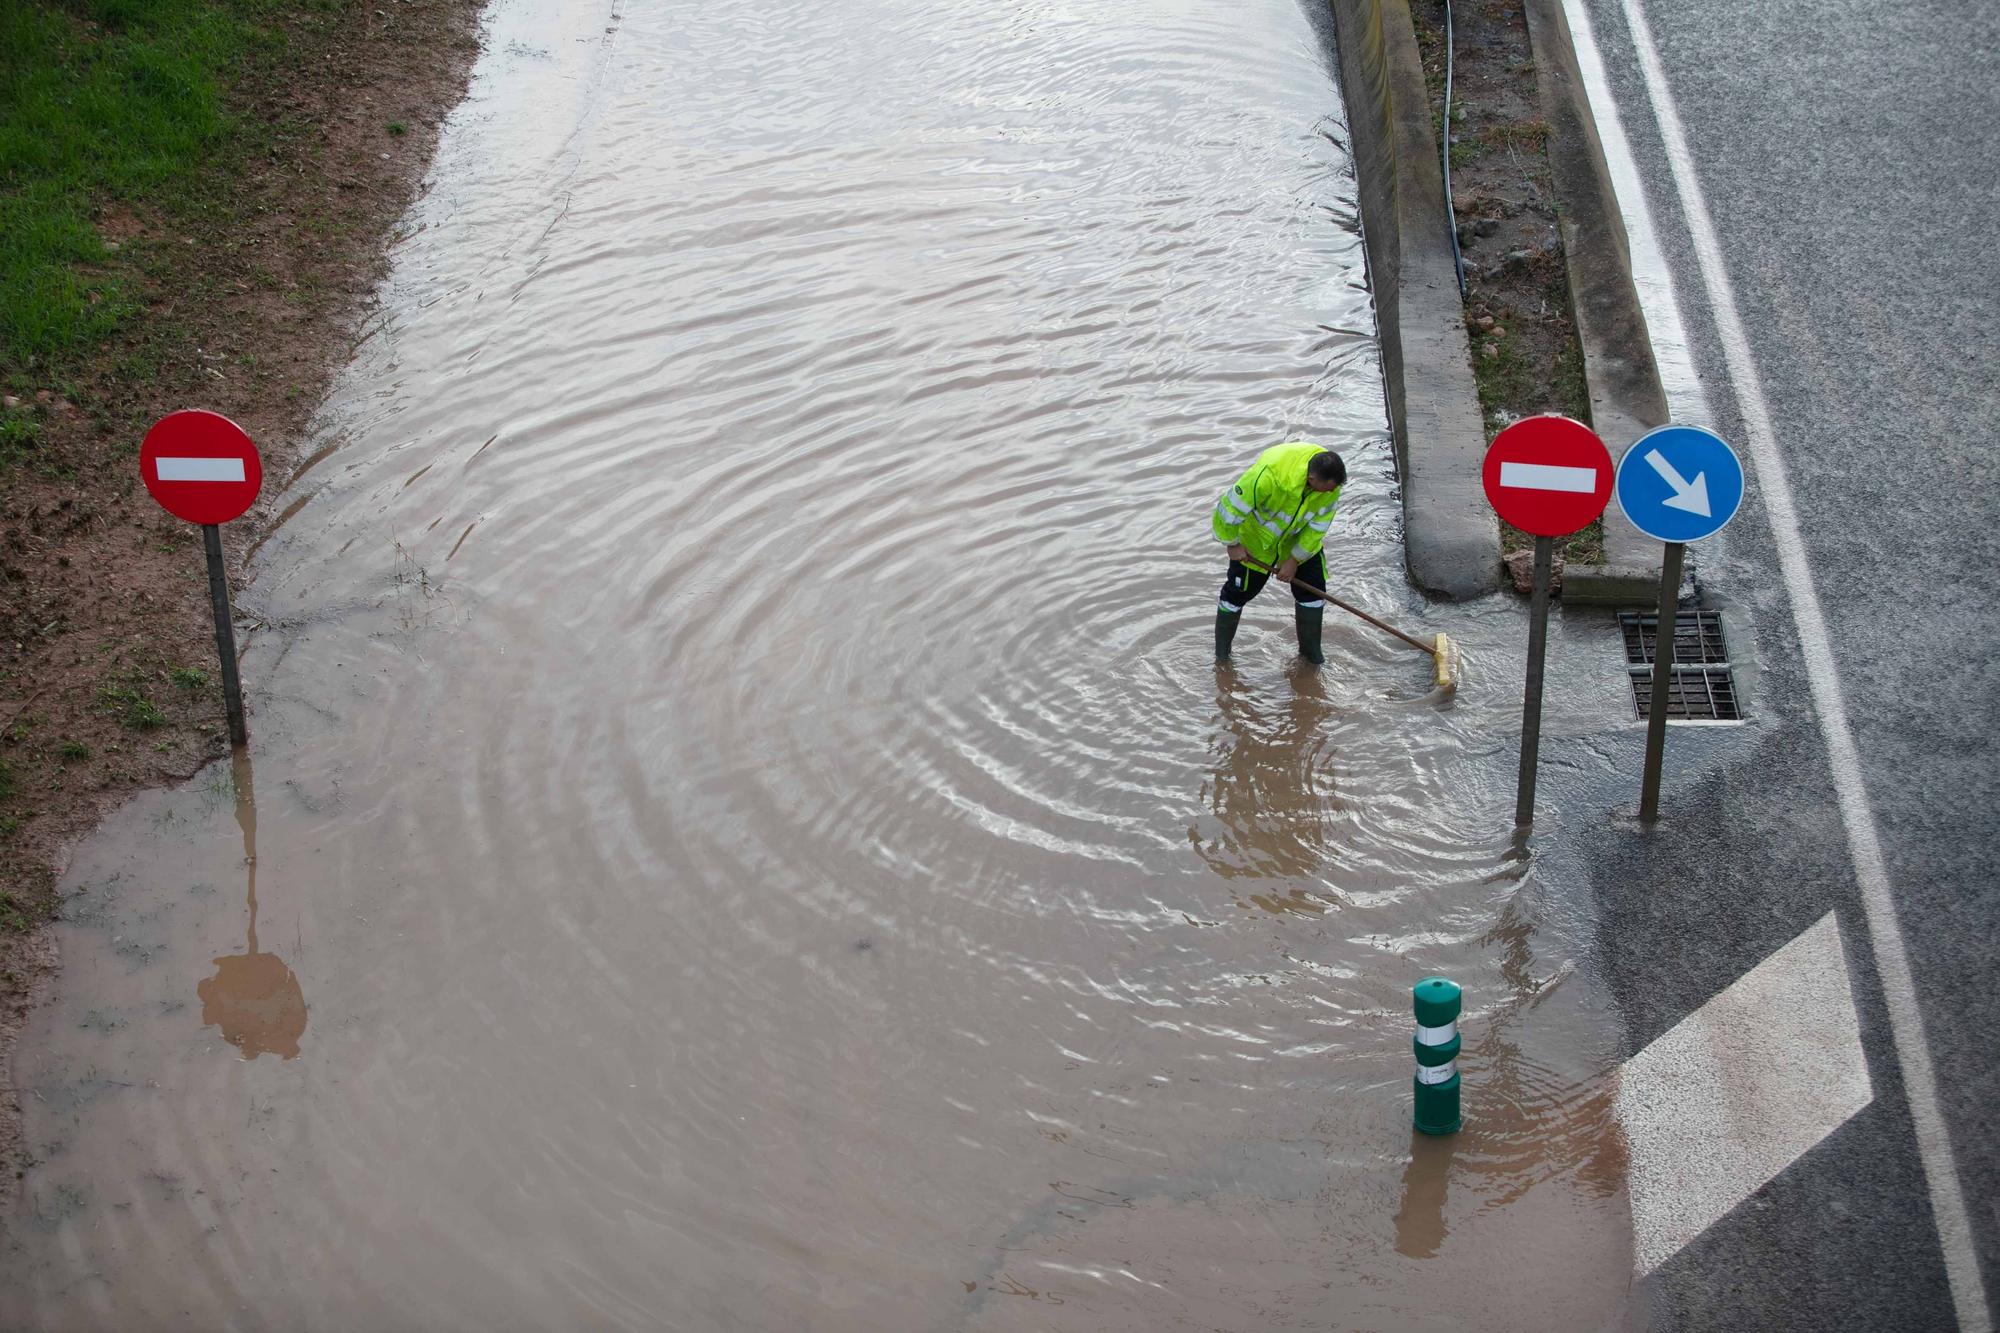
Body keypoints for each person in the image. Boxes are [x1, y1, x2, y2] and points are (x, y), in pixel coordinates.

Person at [1209, 442, 1346, 665]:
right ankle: (1222, 659)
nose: (1332, 493)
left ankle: (1311, 658)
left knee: (1313, 594)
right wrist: (1232, 544)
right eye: (1328, 488)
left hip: (1298, 543)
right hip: (1256, 546)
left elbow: (1317, 528)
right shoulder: (1270, 474)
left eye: (1334, 488)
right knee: (1236, 595)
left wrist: (1294, 560)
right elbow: (1229, 508)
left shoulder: (1331, 486)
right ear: (1312, 479)